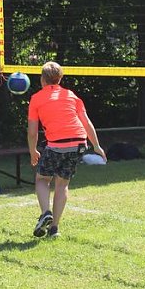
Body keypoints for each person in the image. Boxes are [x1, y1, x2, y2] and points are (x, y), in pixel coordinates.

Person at [27, 62, 106, 238]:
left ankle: (46, 212)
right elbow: (86, 122)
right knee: (62, 184)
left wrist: (33, 151)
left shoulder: (36, 98)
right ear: (60, 79)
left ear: (42, 79)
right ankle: (54, 229)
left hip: (57, 144)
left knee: (42, 179)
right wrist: (97, 146)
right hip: (79, 143)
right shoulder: (71, 95)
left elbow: (32, 132)